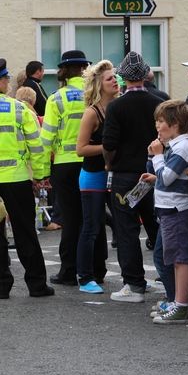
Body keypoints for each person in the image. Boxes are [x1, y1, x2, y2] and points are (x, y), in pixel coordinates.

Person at [0, 58, 54, 299]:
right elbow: (37, 146)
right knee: (25, 232)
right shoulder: (18, 109)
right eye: (6, 79)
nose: (8, 83)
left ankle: (1, 287)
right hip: (17, 180)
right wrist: (41, 176)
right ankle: (37, 285)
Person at [102, 51, 162, 303]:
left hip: (126, 176)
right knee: (159, 226)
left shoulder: (116, 106)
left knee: (127, 229)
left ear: (123, 77)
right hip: (156, 171)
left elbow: (109, 143)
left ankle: (134, 284)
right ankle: (170, 278)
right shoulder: (160, 101)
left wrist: (108, 164)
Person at [40, 50, 90, 286]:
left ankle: (69, 271)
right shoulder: (94, 94)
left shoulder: (57, 98)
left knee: (70, 219)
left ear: (64, 71)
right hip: (91, 161)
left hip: (64, 164)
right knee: (92, 218)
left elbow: (46, 137)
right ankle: (94, 269)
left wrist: (41, 171)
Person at [142, 100, 188, 324]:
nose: (157, 125)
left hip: (177, 209)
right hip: (169, 209)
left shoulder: (181, 147)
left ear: (175, 124)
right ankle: (177, 302)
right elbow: (159, 175)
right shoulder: (174, 145)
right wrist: (154, 156)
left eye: (161, 121)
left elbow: (166, 178)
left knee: (181, 259)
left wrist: (158, 156)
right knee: (172, 257)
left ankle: (180, 306)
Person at [74, 60, 118, 294]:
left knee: (121, 225)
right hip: (92, 175)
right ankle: (84, 277)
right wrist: (107, 147)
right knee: (91, 227)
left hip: (115, 175)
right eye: (110, 78)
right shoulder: (92, 113)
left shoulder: (119, 107)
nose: (115, 81)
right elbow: (80, 149)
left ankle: (129, 276)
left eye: (117, 78)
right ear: (99, 85)